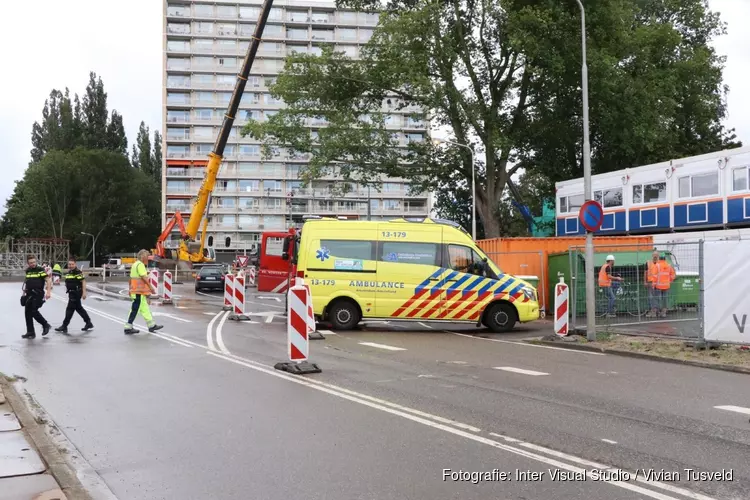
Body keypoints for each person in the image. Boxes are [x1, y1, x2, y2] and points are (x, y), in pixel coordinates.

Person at [124, 249, 163, 335]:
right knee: (135, 309)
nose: (148, 259)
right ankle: (128, 326)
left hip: (137, 292)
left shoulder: (135, 264)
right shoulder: (140, 265)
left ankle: (151, 325)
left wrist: (130, 290)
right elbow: (144, 278)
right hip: (138, 292)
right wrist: (151, 287)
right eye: (147, 257)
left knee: (144, 308)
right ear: (142, 257)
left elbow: (131, 279)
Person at [54, 258, 94, 334]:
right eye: (69, 264)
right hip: (71, 293)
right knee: (78, 309)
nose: (71, 266)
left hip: (76, 293)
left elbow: (83, 282)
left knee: (69, 309)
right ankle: (88, 323)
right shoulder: (69, 272)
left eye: (72, 264)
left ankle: (64, 326)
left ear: (75, 264)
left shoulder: (77, 272)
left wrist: (84, 292)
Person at [21, 254, 52, 339]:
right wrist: (24, 292)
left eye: (34, 262)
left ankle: (45, 324)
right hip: (29, 293)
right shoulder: (28, 271)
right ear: (28, 263)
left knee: (34, 311)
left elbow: (48, 280)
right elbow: (28, 282)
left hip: (38, 293)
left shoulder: (40, 270)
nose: (33, 264)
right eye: (31, 263)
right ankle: (30, 332)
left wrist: (48, 292)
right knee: (27, 312)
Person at [652, 253, 676, 318]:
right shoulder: (669, 265)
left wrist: (653, 285)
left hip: (658, 286)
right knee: (665, 299)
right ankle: (664, 312)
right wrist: (670, 281)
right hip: (666, 286)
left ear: (659, 258)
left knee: (657, 299)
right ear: (665, 259)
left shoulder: (657, 265)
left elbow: (654, 276)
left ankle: (657, 312)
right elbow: (673, 275)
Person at [644, 250, 660, 317]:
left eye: (656, 255)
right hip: (650, 283)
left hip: (658, 283)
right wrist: (645, 281)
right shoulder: (648, 263)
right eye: (654, 255)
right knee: (651, 297)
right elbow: (645, 273)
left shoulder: (660, 263)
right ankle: (653, 311)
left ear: (658, 256)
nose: (655, 256)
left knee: (658, 297)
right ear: (652, 256)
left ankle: (656, 311)